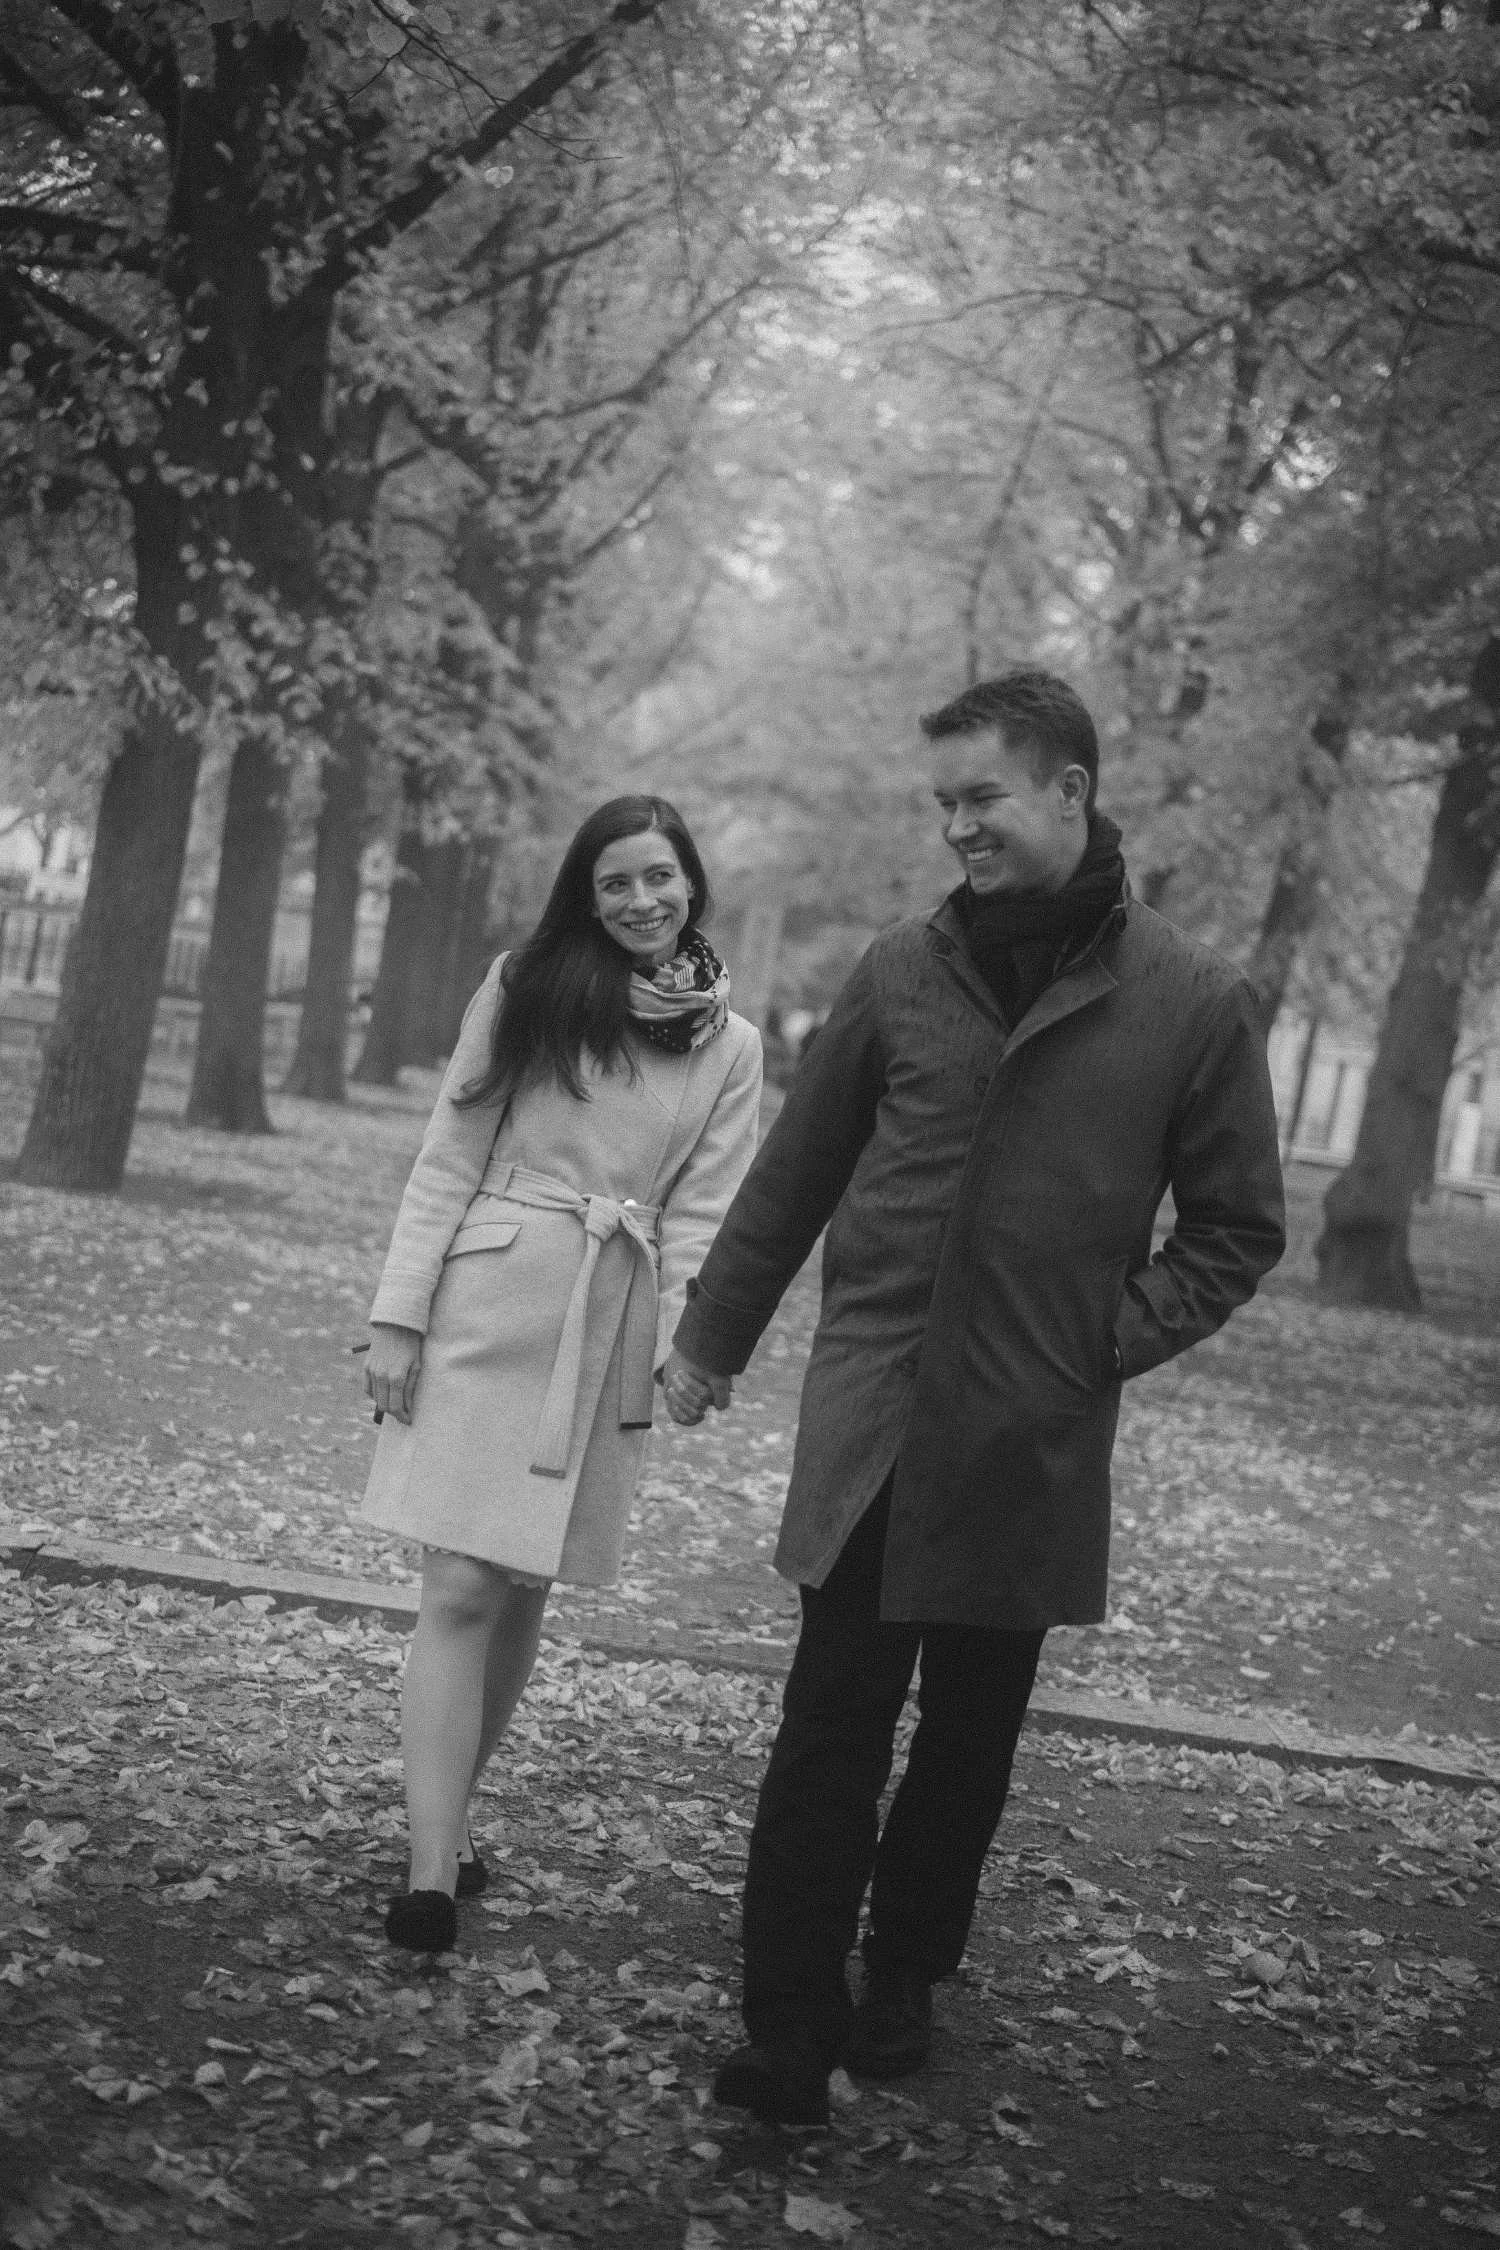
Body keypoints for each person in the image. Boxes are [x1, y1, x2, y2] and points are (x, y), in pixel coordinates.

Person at [663, 670, 1286, 2126]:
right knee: (830, 1723)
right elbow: (796, 1175)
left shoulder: (1193, 1001)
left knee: (967, 1738)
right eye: (943, 803)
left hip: (1031, 1439)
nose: (958, 828)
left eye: (982, 798)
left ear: (1070, 790)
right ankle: (786, 2022)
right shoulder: (899, 969)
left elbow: (1237, 1230)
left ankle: (905, 1973)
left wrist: (1099, 1344)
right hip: (877, 1419)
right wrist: (712, 1336)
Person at [362, 796, 761, 1953]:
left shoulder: (730, 1046)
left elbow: (705, 1211)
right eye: (616, 883)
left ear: (692, 883)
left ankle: (453, 1813)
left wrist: (695, 1346)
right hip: (487, 1304)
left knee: (524, 1585)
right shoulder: (527, 985)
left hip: (611, 1322)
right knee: (460, 1588)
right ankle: (431, 1866)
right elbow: (448, 1151)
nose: (642, 901)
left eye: (660, 878)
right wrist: (399, 1316)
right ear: (586, 897)